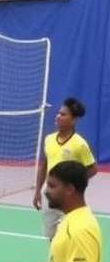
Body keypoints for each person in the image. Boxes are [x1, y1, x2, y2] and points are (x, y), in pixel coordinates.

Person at [34, 98, 97, 240]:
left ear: (73, 120)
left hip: (68, 197)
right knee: (51, 235)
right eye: (58, 113)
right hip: (48, 193)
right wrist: (38, 190)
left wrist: (73, 184)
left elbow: (93, 169)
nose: (58, 116)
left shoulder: (79, 144)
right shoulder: (49, 139)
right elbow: (44, 165)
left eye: (63, 114)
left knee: (69, 234)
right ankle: (55, 261)